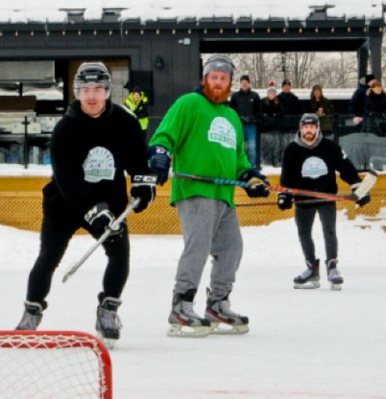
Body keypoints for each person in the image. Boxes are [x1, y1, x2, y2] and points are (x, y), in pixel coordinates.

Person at [14, 62, 155, 347]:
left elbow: (139, 162)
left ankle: (108, 310)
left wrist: (142, 185)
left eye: (98, 89)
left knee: (120, 255)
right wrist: (94, 211)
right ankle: (32, 310)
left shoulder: (125, 123)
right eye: (85, 89)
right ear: (77, 91)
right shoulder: (66, 129)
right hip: (64, 203)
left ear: (107, 91)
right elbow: (69, 181)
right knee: (48, 257)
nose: (91, 95)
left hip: (111, 201)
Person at [148, 54, 270, 337]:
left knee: (231, 248)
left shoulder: (231, 117)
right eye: (213, 78)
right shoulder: (188, 104)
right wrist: (160, 156)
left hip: (224, 194)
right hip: (195, 190)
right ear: (205, 79)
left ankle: (217, 303)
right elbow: (164, 136)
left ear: (230, 83)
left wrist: (252, 178)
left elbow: (239, 159)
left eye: (223, 79)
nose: (217, 82)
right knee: (198, 246)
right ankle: (181, 304)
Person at [279, 113, 370, 291]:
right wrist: (285, 196)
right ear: (300, 128)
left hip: (326, 197)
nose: (308, 130)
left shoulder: (330, 147)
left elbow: (346, 168)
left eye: (312, 127)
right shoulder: (291, 150)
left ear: (318, 128)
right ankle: (312, 269)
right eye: (305, 127)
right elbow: (287, 177)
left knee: (329, 231)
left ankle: (332, 267)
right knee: (304, 234)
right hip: (304, 200)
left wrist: (358, 187)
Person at [229, 74, 262, 168]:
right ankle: (238, 166)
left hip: (251, 126)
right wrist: (237, 119)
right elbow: (231, 111)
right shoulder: (235, 96)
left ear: (249, 83)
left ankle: (252, 166)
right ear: (240, 83)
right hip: (239, 126)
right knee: (239, 146)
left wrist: (253, 119)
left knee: (252, 147)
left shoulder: (255, 96)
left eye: (246, 82)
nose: (244, 84)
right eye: (242, 82)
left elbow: (259, 111)